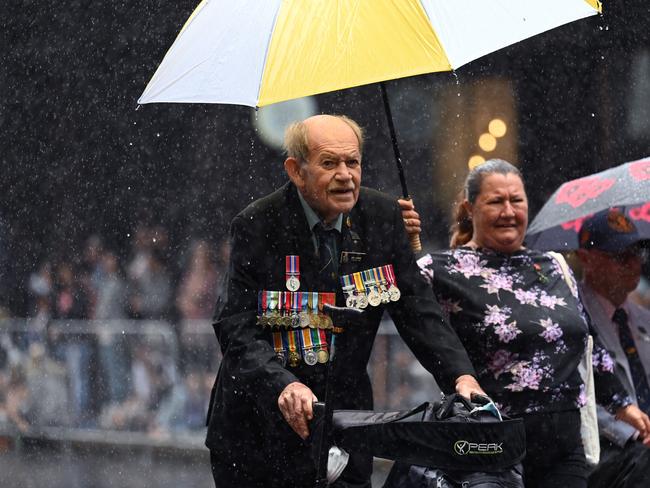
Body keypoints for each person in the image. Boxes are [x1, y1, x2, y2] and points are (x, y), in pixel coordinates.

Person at [206, 114, 484, 488]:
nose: (345, 175)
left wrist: (460, 377)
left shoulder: (383, 217)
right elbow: (235, 325)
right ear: (296, 170)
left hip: (345, 423)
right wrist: (283, 385)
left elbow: (419, 311)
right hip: (257, 429)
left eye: (352, 162)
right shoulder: (257, 224)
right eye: (329, 163)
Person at [415, 159, 650, 488]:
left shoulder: (553, 265)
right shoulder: (439, 268)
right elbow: (409, 312)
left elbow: (587, 342)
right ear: (470, 208)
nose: (509, 211)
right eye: (496, 201)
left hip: (563, 445)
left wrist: (623, 406)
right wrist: (401, 245)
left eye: (517, 200)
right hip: (491, 441)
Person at [575, 208, 650, 488]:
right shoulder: (572, 316)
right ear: (586, 259)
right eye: (622, 257)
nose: (634, 265)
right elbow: (582, 394)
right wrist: (636, 432)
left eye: (638, 253)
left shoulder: (644, 320)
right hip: (604, 447)